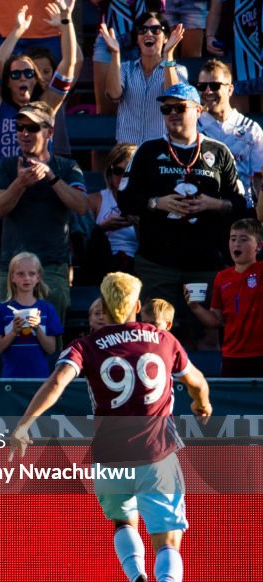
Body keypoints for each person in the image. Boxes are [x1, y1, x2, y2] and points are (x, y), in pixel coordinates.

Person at [10, 271, 212, 582]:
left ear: (102, 304)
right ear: (138, 306)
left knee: (123, 524)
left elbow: (57, 382)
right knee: (168, 541)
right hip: (158, 454)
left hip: (110, 457)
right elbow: (197, 381)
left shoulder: (87, 345)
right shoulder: (165, 340)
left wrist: (24, 425)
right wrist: (202, 402)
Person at [116, 82, 247, 346]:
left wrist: (214, 204)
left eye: (179, 107)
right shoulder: (148, 151)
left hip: (207, 263)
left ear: (198, 110)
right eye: (166, 109)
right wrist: (157, 202)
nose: (172, 113)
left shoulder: (219, 151)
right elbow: (125, 199)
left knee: (210, 333)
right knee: (154, 335)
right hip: (158, 263)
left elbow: (242, 204)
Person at [0, 101, 88, 325]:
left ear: (50, 132)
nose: (24, 133)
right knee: (8, 341)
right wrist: (20, 184)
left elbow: (81, 206)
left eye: (32, 128)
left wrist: (52, 178)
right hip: (10, 269)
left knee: (51, 341)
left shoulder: (67, 167)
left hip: (50, 268)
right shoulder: (5, 167)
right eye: (20, 128)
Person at [0, 0, 77, 187]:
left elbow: (69, 63)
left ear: (35, 79)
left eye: (28, 73)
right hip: (2, 189)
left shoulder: (45, 107)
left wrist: (66, 23)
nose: (22, 78)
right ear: (7, 80)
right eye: (15, 74)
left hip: (40, 190)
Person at [186, 218, 263, 376]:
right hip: (231, 355)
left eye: (244, 239)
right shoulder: (222, 277)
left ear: (259, 246)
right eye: (233, 239)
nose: (236, 244)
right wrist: (195, 307)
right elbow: (216, 320)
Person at [100, 12, 188, 145]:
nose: (149, 34)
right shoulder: (125, 69)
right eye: (142, 30)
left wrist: (168, 55)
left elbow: (173, 98)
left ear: (166, 38)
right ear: (137, 38)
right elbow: (114, 94)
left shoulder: (178, 70)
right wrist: (115, 54)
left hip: (160, 150)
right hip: (128, 151)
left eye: (156, 30)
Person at [0, 251, 63, 377]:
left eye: (31, 273)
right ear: (12, 277)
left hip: (40, 379)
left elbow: (51, 349)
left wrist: (37, 329)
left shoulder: (48, 310)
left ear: (38, 277)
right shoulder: (0, 310)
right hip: (11, 378)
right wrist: (13, 332)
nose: (26, 278)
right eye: (20, 274)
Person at [196, 60, 263, 206]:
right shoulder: (193, 127)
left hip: (241, 209)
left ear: (230, 89)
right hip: (202, 209)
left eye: (214, 86)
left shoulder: (251, 129)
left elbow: (258, 178)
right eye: (202, 86)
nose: (208, 91)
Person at [85, 142, 139, 283]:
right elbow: (82, 240)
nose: (123, 177)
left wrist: (139, 225)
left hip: (136, 267)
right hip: (102, 265)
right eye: (118, 171)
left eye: (128, 172)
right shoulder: (96, 200)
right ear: (109, 173)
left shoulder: (146, 203)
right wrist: (102, 228)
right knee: (98, 239)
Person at [91, 0, 151, 114]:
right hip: (109, 39)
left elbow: (159, 8)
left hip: (143, 40)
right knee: (105, 111)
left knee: (138, 107)